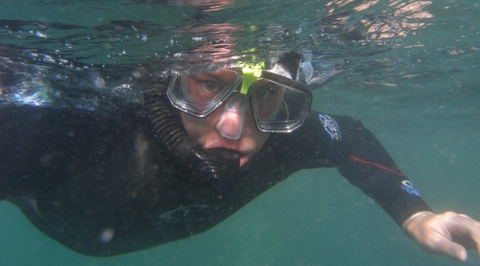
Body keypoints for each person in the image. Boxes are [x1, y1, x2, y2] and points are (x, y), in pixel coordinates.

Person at [0, 50, 479, 260]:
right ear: (170, 82)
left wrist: (415, 214)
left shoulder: (287, 134)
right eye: (209, 83)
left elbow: (350, 138)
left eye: (266, 96)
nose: (233, 126)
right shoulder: (76, 135)